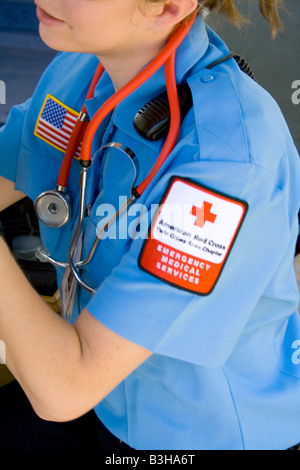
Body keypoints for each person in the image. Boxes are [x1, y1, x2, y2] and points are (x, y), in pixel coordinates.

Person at [0, 0, 299, 451]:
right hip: (101, 400)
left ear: (167, 6)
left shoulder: (225, 163)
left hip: (194, 437)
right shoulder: (82, 73)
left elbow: (64, 391)